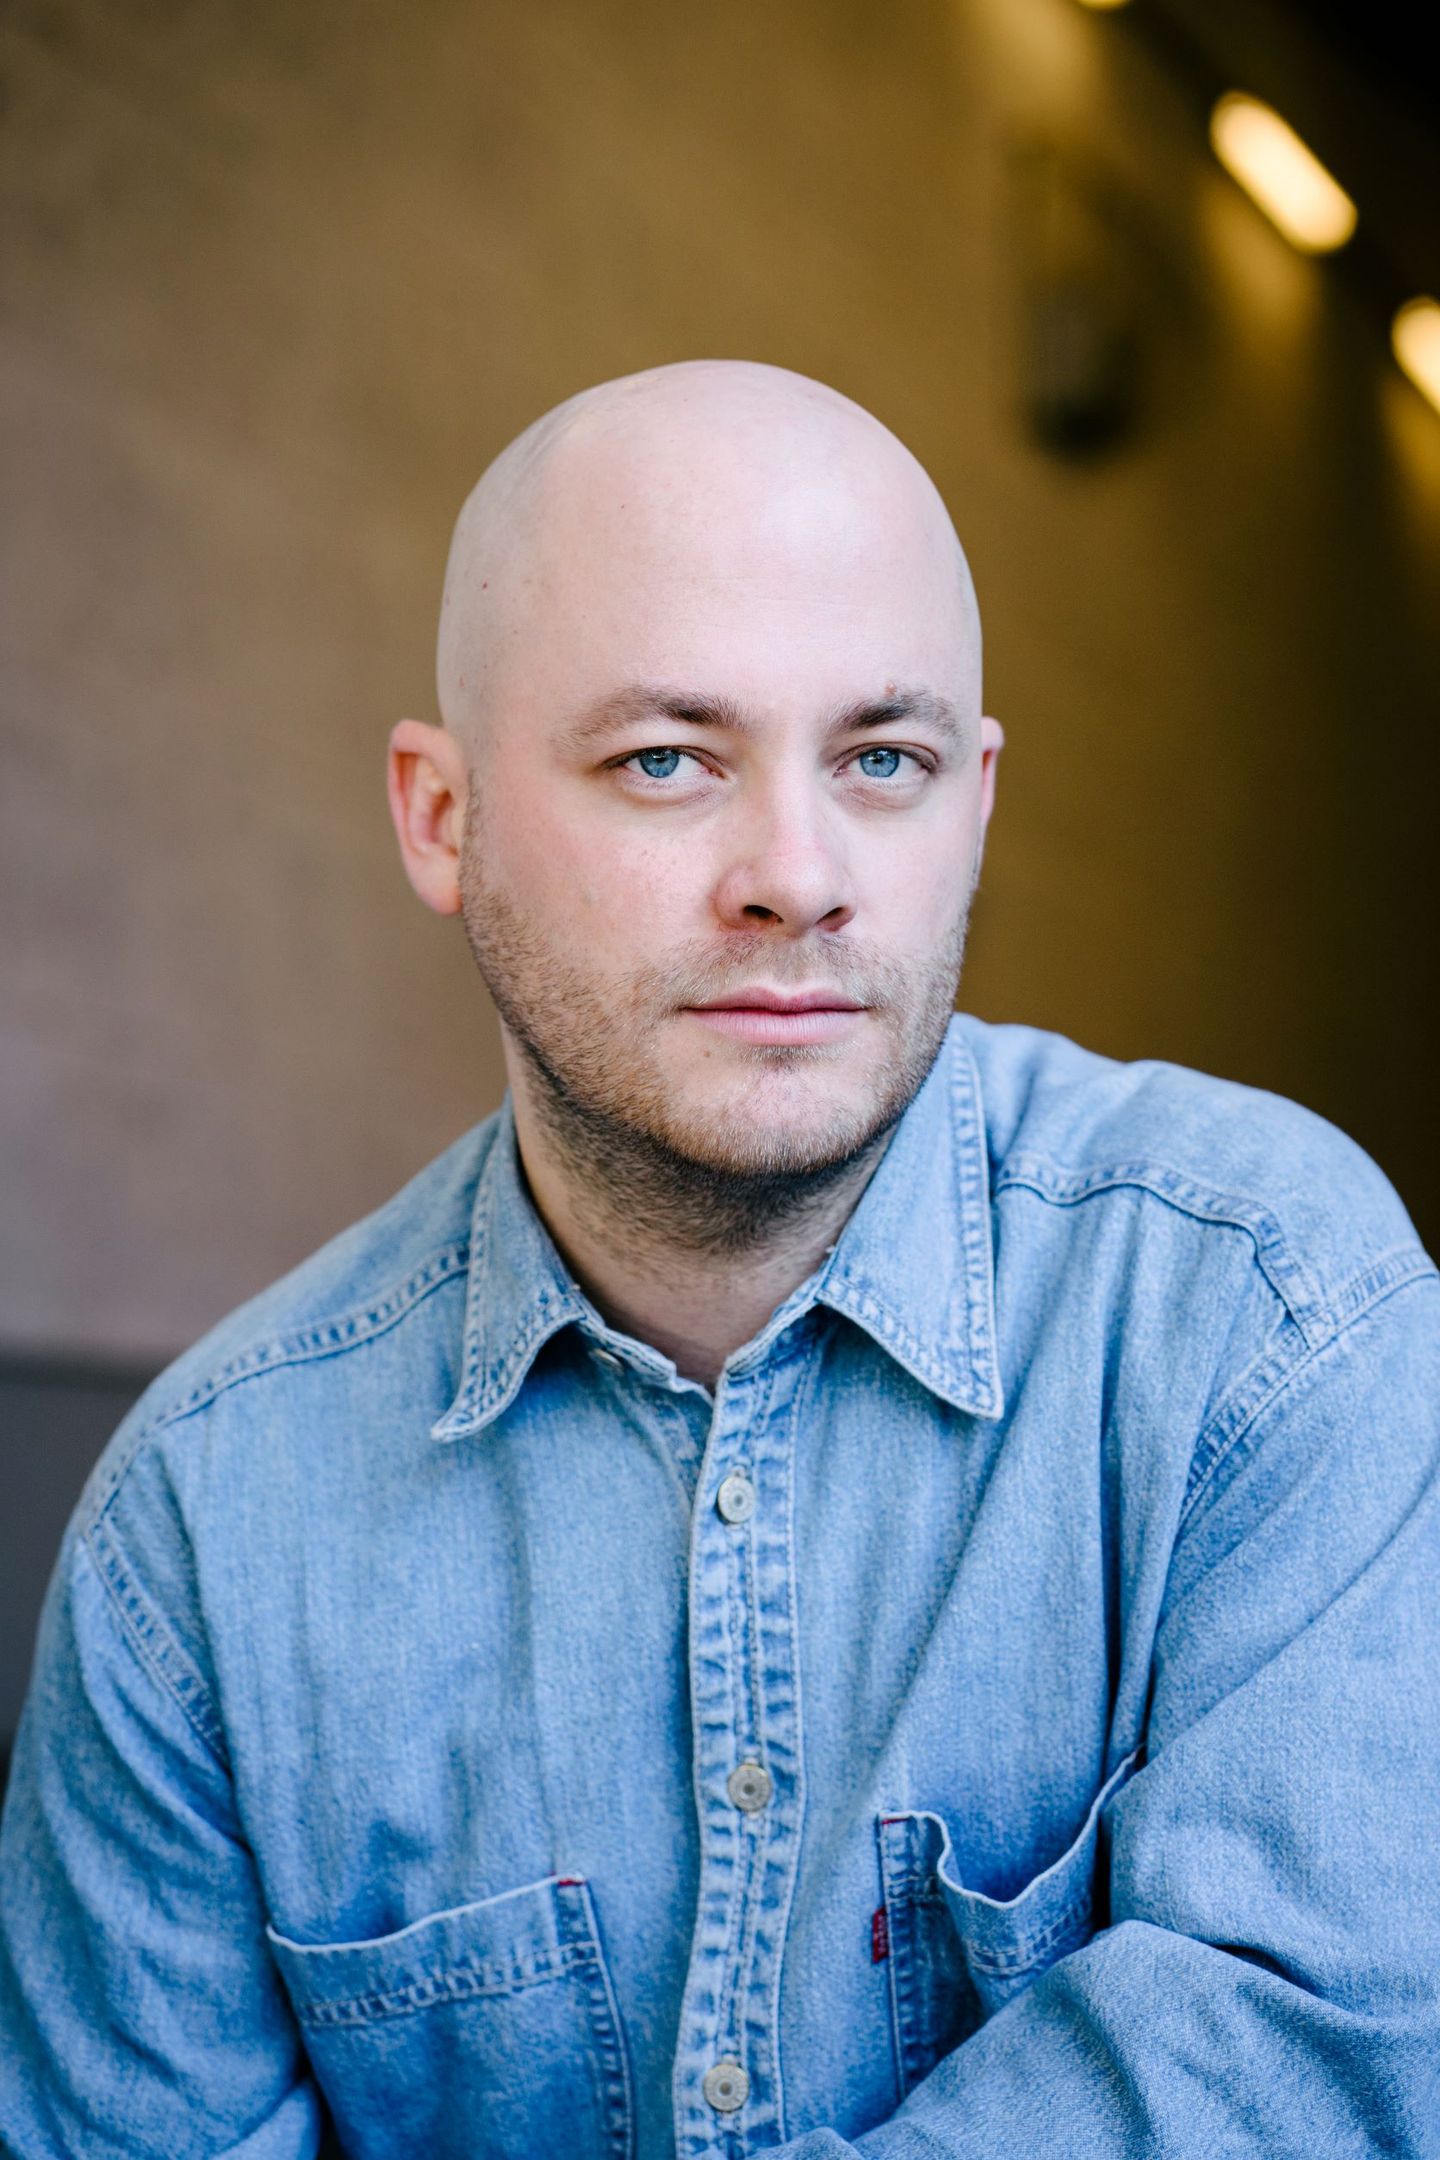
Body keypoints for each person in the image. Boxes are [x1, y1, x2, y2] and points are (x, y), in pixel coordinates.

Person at [1, 360, 1436, 2160]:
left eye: (884, 761)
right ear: (441, 816)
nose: (798, 875)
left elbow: (1328, 2061)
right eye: (667, 760)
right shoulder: (204, 1542)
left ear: (979, 800)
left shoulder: (1264, 1316)